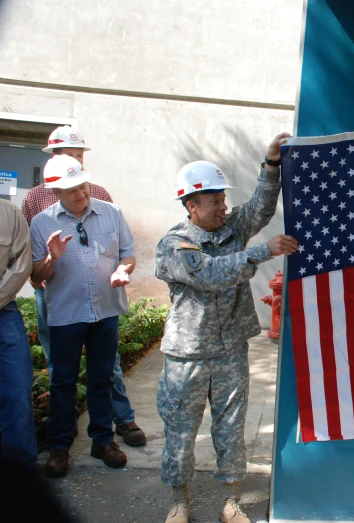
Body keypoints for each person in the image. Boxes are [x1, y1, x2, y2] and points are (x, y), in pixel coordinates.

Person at [155, 133, 298, 523]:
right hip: (187, 355)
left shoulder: (231, 229)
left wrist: (270, 164)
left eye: (222, 199)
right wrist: (260, 251)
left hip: (231, 349)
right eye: (215, 201)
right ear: (191, 206)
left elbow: (260, 208)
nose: (224, 206)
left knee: (232, 430)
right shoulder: (176, 244)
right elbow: (212, 274)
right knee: (181, 434)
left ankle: (231, 502)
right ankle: (180, 502)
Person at [22, 125, 146, 447]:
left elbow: (128, 253)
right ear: (55, 192)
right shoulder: (41, 221)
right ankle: (60, 445)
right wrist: (51, 258)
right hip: (65, 312)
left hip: (104, 309)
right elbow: (36, 277)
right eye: (72, 190)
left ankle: (103, 441)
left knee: (102, 378)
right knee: (62, 380)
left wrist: (123, 270)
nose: (81, 194)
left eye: (83, 186)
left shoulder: (111, 212)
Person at [0, 199, 37, 470]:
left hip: (4, 309)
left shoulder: (9, 212)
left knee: (17, 389)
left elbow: (22, 263)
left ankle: (21, 470)